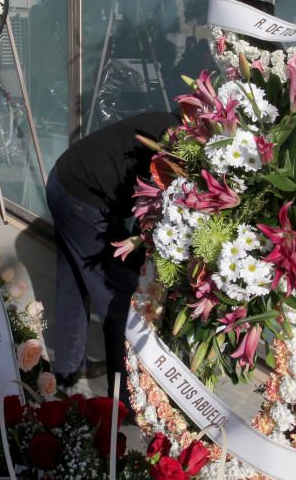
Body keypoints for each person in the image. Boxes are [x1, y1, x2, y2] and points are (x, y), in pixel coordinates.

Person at [45, 111, 179, 405]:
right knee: (119, 302)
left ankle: (68, 371)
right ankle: (123, 401)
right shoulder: (177, 145)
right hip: (83, 200)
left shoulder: (169, 126)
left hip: (64, 180)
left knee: (73, 280)